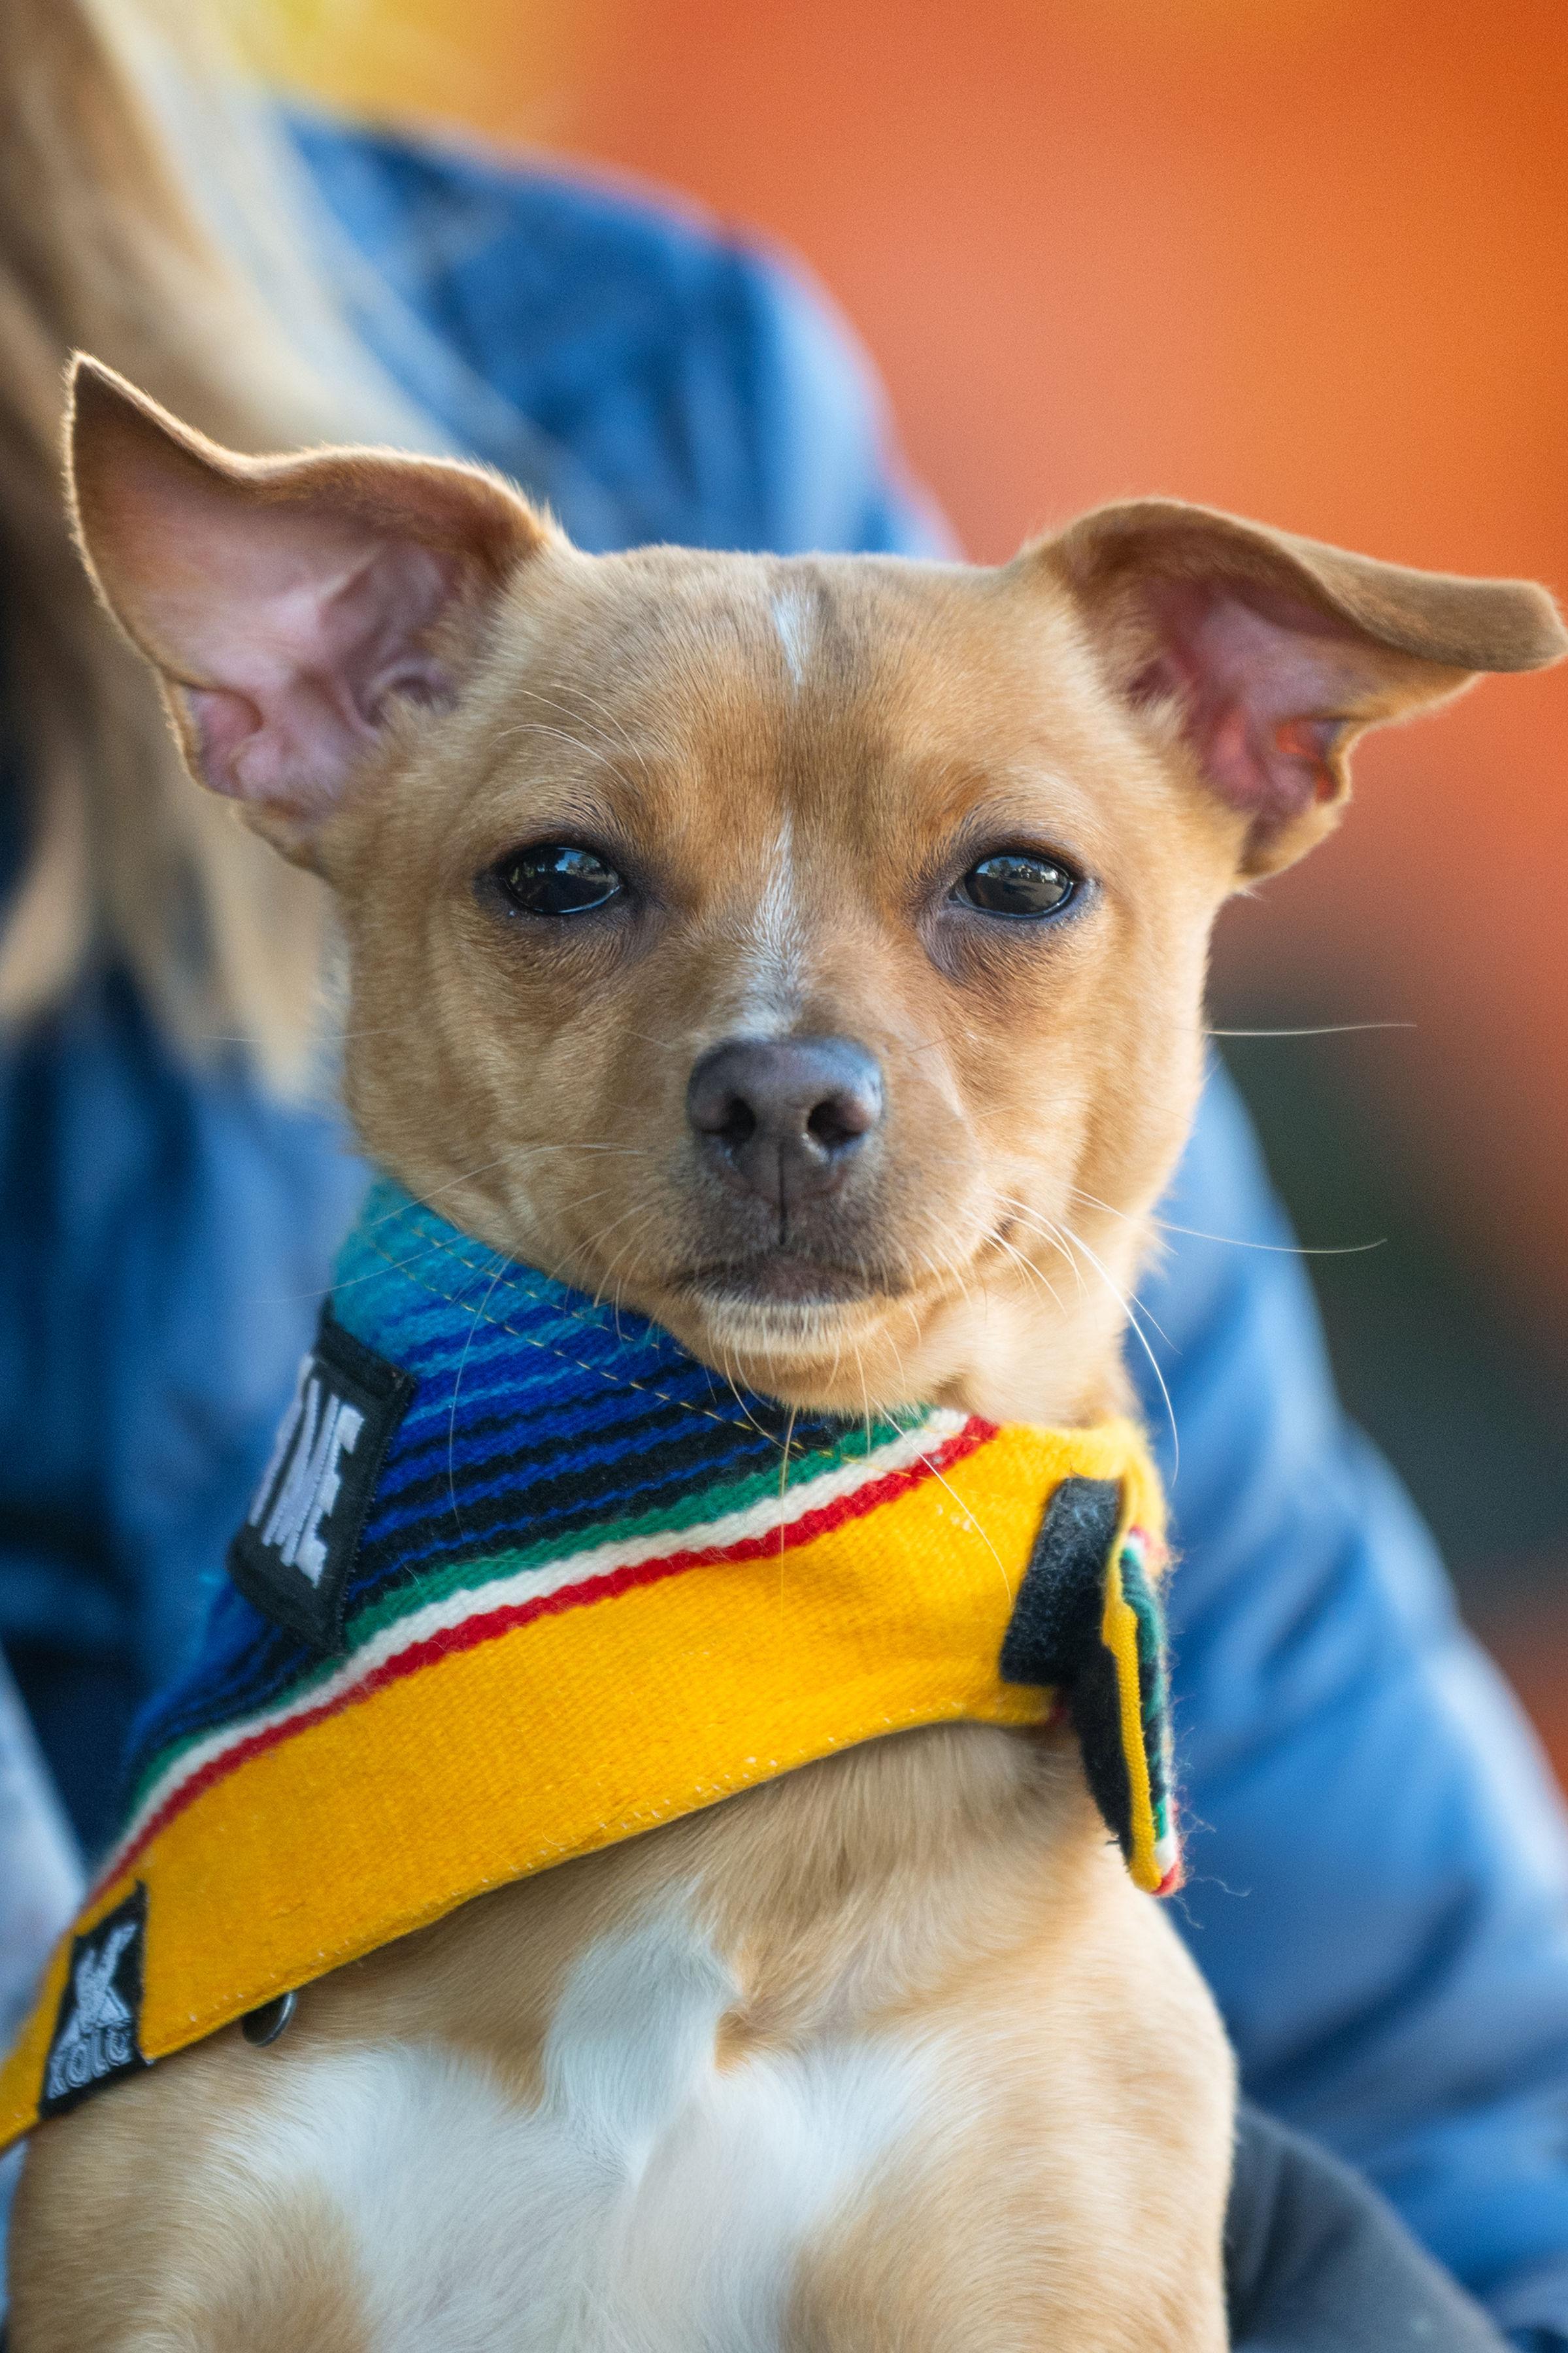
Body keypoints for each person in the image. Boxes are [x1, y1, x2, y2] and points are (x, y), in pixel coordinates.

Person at [2, 2, 1567, 2342]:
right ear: (301, 712)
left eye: (1007, 896)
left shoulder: (619, 364)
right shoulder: (216, 1983)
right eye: (569, 886)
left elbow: (1454, 2082)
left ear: (1259, 740)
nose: (788, 1069)